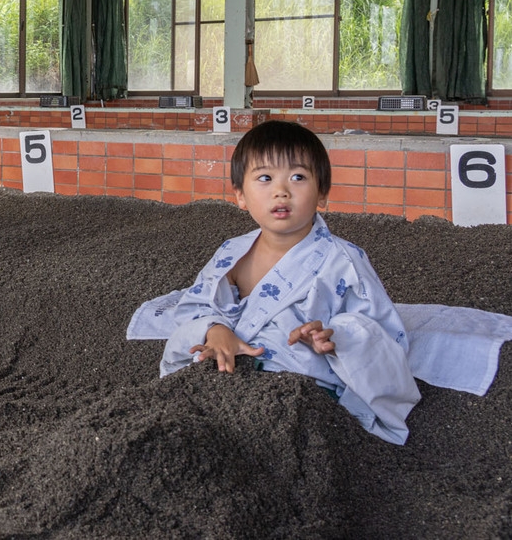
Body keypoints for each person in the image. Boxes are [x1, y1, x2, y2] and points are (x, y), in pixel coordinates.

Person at [158, 120, 420, 444]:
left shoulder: (344, 260)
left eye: (298, 177)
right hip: (229, 376)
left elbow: (379, 332)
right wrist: (217, 330)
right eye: (265, 178)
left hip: (302, 387)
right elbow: (195, 306)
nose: (281, 191)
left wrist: (333, 334)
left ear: (321, 193)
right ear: (240, 195)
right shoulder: (231, 252)